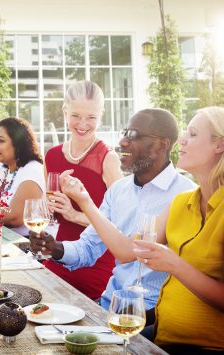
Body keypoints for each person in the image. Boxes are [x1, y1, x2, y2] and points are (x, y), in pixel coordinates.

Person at [60, 107, 224, 354]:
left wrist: (174, 264)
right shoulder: (182, 202)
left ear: (219, 145)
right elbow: (128, 251)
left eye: (192, 134)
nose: (182, 140)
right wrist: (84, 200)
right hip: (162, 336)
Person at [30, 108, 196, 310]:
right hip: (110, 306)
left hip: (153, 314)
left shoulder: (187, 195)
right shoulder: (118, 191)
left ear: (163, 144)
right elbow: (88, 248)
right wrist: (56, 248)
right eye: (124, 133)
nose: (123, 142)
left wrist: (84, 202)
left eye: (133, 135)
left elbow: (130, 252)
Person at [44, 80, 123, 300]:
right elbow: (48, 214)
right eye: (76, 115)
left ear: (101, 115)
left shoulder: (108, 159)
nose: (83, 124)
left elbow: (122, 227)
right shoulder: (51, 156)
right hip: (57, 258)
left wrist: (75, 215)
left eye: (91, 117)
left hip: (96, 267)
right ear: (64, 112)